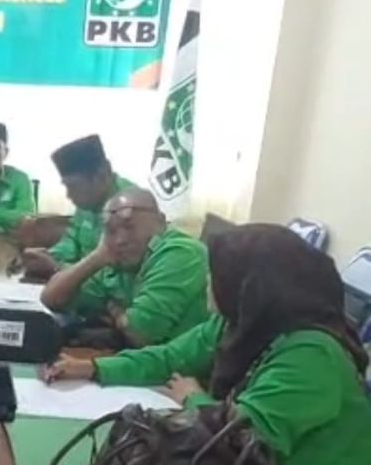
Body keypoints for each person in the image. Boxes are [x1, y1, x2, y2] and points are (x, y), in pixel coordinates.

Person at [45, 224, 371, 465]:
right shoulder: (239, 322)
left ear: (251, 285)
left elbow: (237, 443)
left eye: (216, 274)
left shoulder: (313, 356)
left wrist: (195, 400)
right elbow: (170, 356)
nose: (208, 282)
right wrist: (92, 368)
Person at [40, 188, 208, 347]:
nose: (120, 240)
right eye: (111, 231)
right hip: (140, 360)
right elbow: (51, 299)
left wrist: (114, 310)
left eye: (129, 227)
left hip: (187, 367)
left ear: (160, 223)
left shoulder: (182, 252)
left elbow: (141, 334)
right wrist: (96, 257)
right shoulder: (114, 258)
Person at [22, 135, 135, 277]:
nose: (69, 195)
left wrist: (58, 268)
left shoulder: (132, 209)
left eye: (73, 187)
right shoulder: (89, 202)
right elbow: (72, 241)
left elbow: (115, 279)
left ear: (102, 175)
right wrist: (47, 256)